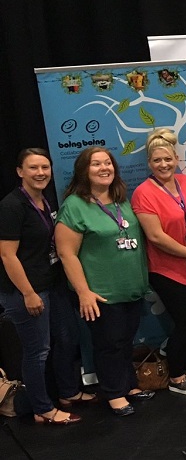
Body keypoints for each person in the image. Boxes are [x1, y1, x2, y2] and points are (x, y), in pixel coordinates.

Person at [56, 147, 153, 416]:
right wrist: (83, 291)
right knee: (109, 344)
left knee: (124, 341)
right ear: (83, 171)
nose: (104, 168)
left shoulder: (121, 199)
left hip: (129, 287)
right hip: (100, 292)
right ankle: (114, 393)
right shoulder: (75, 205)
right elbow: (66, 253)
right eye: (96, 164)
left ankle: (128, 385)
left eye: (108, 163)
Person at [0, 149, 89, 424]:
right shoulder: (12, 206)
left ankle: (68, 392)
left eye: (45, 168)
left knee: (66, 338)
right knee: (37, 351)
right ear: (19, 172)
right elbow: (6, 255)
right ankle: (42, 409)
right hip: (26, 290)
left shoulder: (44, 199)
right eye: (33, 168)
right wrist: (28, 293)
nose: (40, 173)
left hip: (52, 283)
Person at [132, 129, 186, 395]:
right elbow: (155, 236)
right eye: (157, 161)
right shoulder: (143, 193)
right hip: (167, 269)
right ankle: (177, 377)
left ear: (176, 158)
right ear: (149, 164)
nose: (163, 164)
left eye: (168, 159)